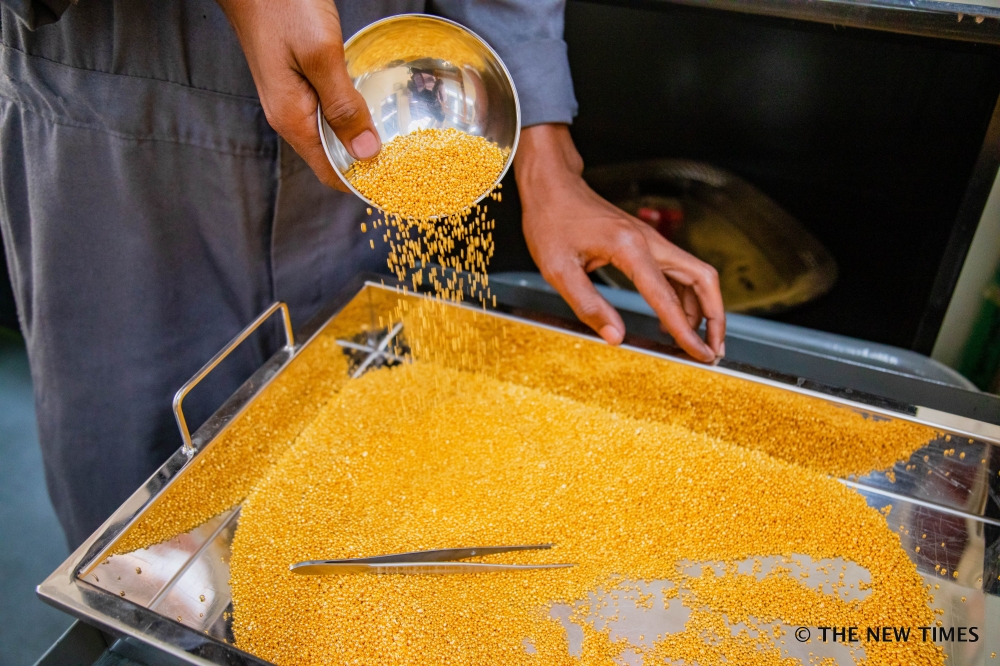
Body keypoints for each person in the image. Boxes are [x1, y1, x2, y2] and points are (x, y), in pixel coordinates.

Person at [0, 0, 725, 549]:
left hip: (382, 122)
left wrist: (541, 143)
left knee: (375, 493)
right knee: (152, 514)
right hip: (132, 119)